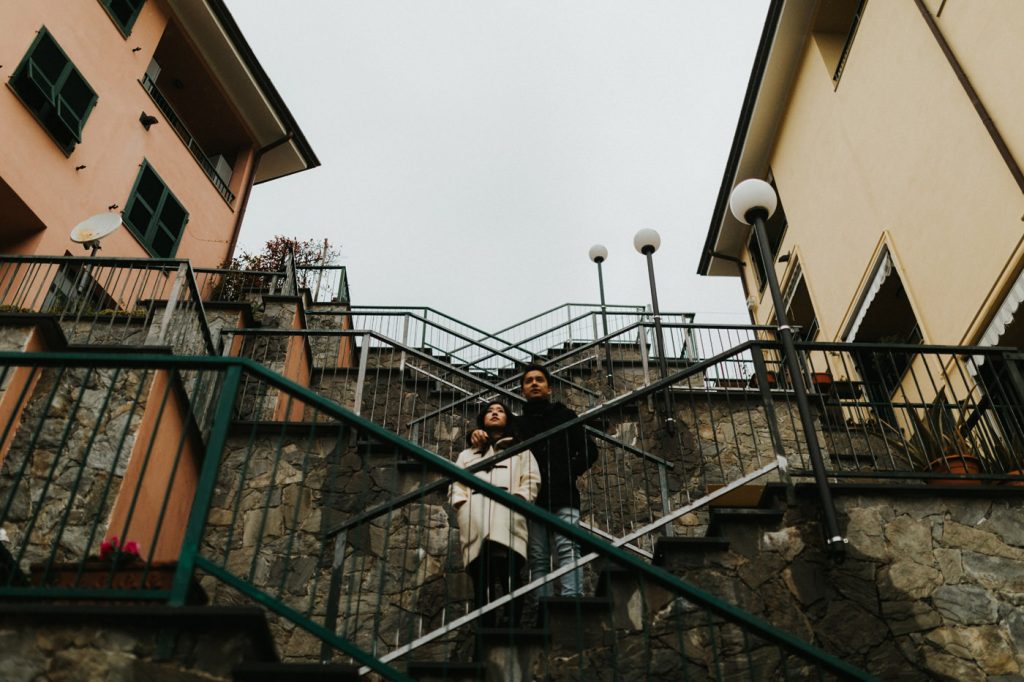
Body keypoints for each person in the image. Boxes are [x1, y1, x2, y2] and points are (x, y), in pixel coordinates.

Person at [470, 364, 597, 597]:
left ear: (548, 388)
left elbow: (589, 450)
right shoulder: (517, 424)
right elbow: (495, 439)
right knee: (538, 557)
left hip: (563, 493)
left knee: (568, 548)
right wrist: (476, 434)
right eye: (529, 381)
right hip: (531, 499)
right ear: (523, 390)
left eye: (539, 380)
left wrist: (568, 471)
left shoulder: (565, 416)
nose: (534, 384)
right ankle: (544, 612)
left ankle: (572, 603)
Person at [450, 401, 540, 627]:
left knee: (509, 571)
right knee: (482, 576)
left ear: (508, 419)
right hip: (476, 517)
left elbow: (531, 480)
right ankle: (486, 625)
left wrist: (518, 501)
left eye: (500, 410)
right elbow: (456, 485)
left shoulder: (521, 450)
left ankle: (512, 622)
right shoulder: (467, 454)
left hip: (507, 515)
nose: (495, 413)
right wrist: (463, 507)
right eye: (490, 411)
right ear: (482, 419)